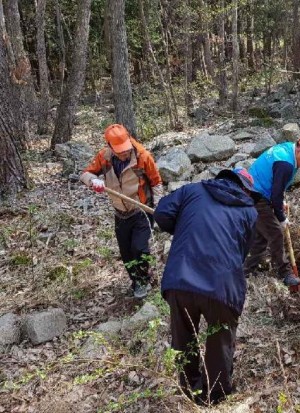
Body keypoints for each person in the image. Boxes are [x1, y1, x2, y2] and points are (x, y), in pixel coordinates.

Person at [153, 168, 257, 405]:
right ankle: (214, 396)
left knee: (183, 336)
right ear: (244, 189)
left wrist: (183, 225)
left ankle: (188, 389)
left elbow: (161, 213)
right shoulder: (249, 210)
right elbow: (242, 251)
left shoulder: (192, 191)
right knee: (220, 339)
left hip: (181, 279)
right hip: (222, 284)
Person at [80, 124, 163, 298]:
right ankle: (136, 282)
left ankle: (144, 280)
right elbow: (86, 174)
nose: (124, 153)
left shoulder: (143, 157)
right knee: (126, 253)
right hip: (120, 213)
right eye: (120, 151)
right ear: (110, 147)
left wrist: (159, 207)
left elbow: (156, 183)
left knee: (139, 248)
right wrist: (93, 181)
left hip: (141, 211)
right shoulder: (104, 157)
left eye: (126, 150)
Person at [244, 135, 300, 286]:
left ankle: (244, 272)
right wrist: (281, 217)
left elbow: (277, 185)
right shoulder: (285, 163)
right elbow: (275, 194)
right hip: (256, 195)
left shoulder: (287, 149)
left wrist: (281, 201)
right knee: (276, 233)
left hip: (252, 191)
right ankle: (285, 273)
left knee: (262, 237)